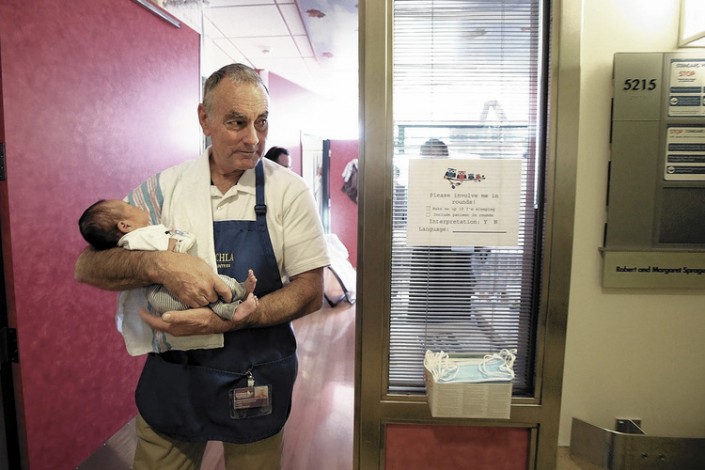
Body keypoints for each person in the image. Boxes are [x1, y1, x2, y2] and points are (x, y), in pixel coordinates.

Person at [74, 63, 330, 469]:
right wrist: (160, 264)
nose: (253, 139)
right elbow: (88, 266)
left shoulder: (289, 192)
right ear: (204, 119)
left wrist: (236, 319)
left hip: (255, 373)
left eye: (262, 122)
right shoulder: (163, 190)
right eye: (237, 122)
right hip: (176, 379)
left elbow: (310, 292)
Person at [78, 199, 258, 323]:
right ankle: (237, 301)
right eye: (129, 206)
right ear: (125, 225)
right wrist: (175, 241)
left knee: (207, 295)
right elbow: (168, 252)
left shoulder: (134, 238)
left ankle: (237, 300)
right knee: (209, 289)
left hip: (161, 295)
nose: (136, 205)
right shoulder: (138, 237)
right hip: (163, 293)